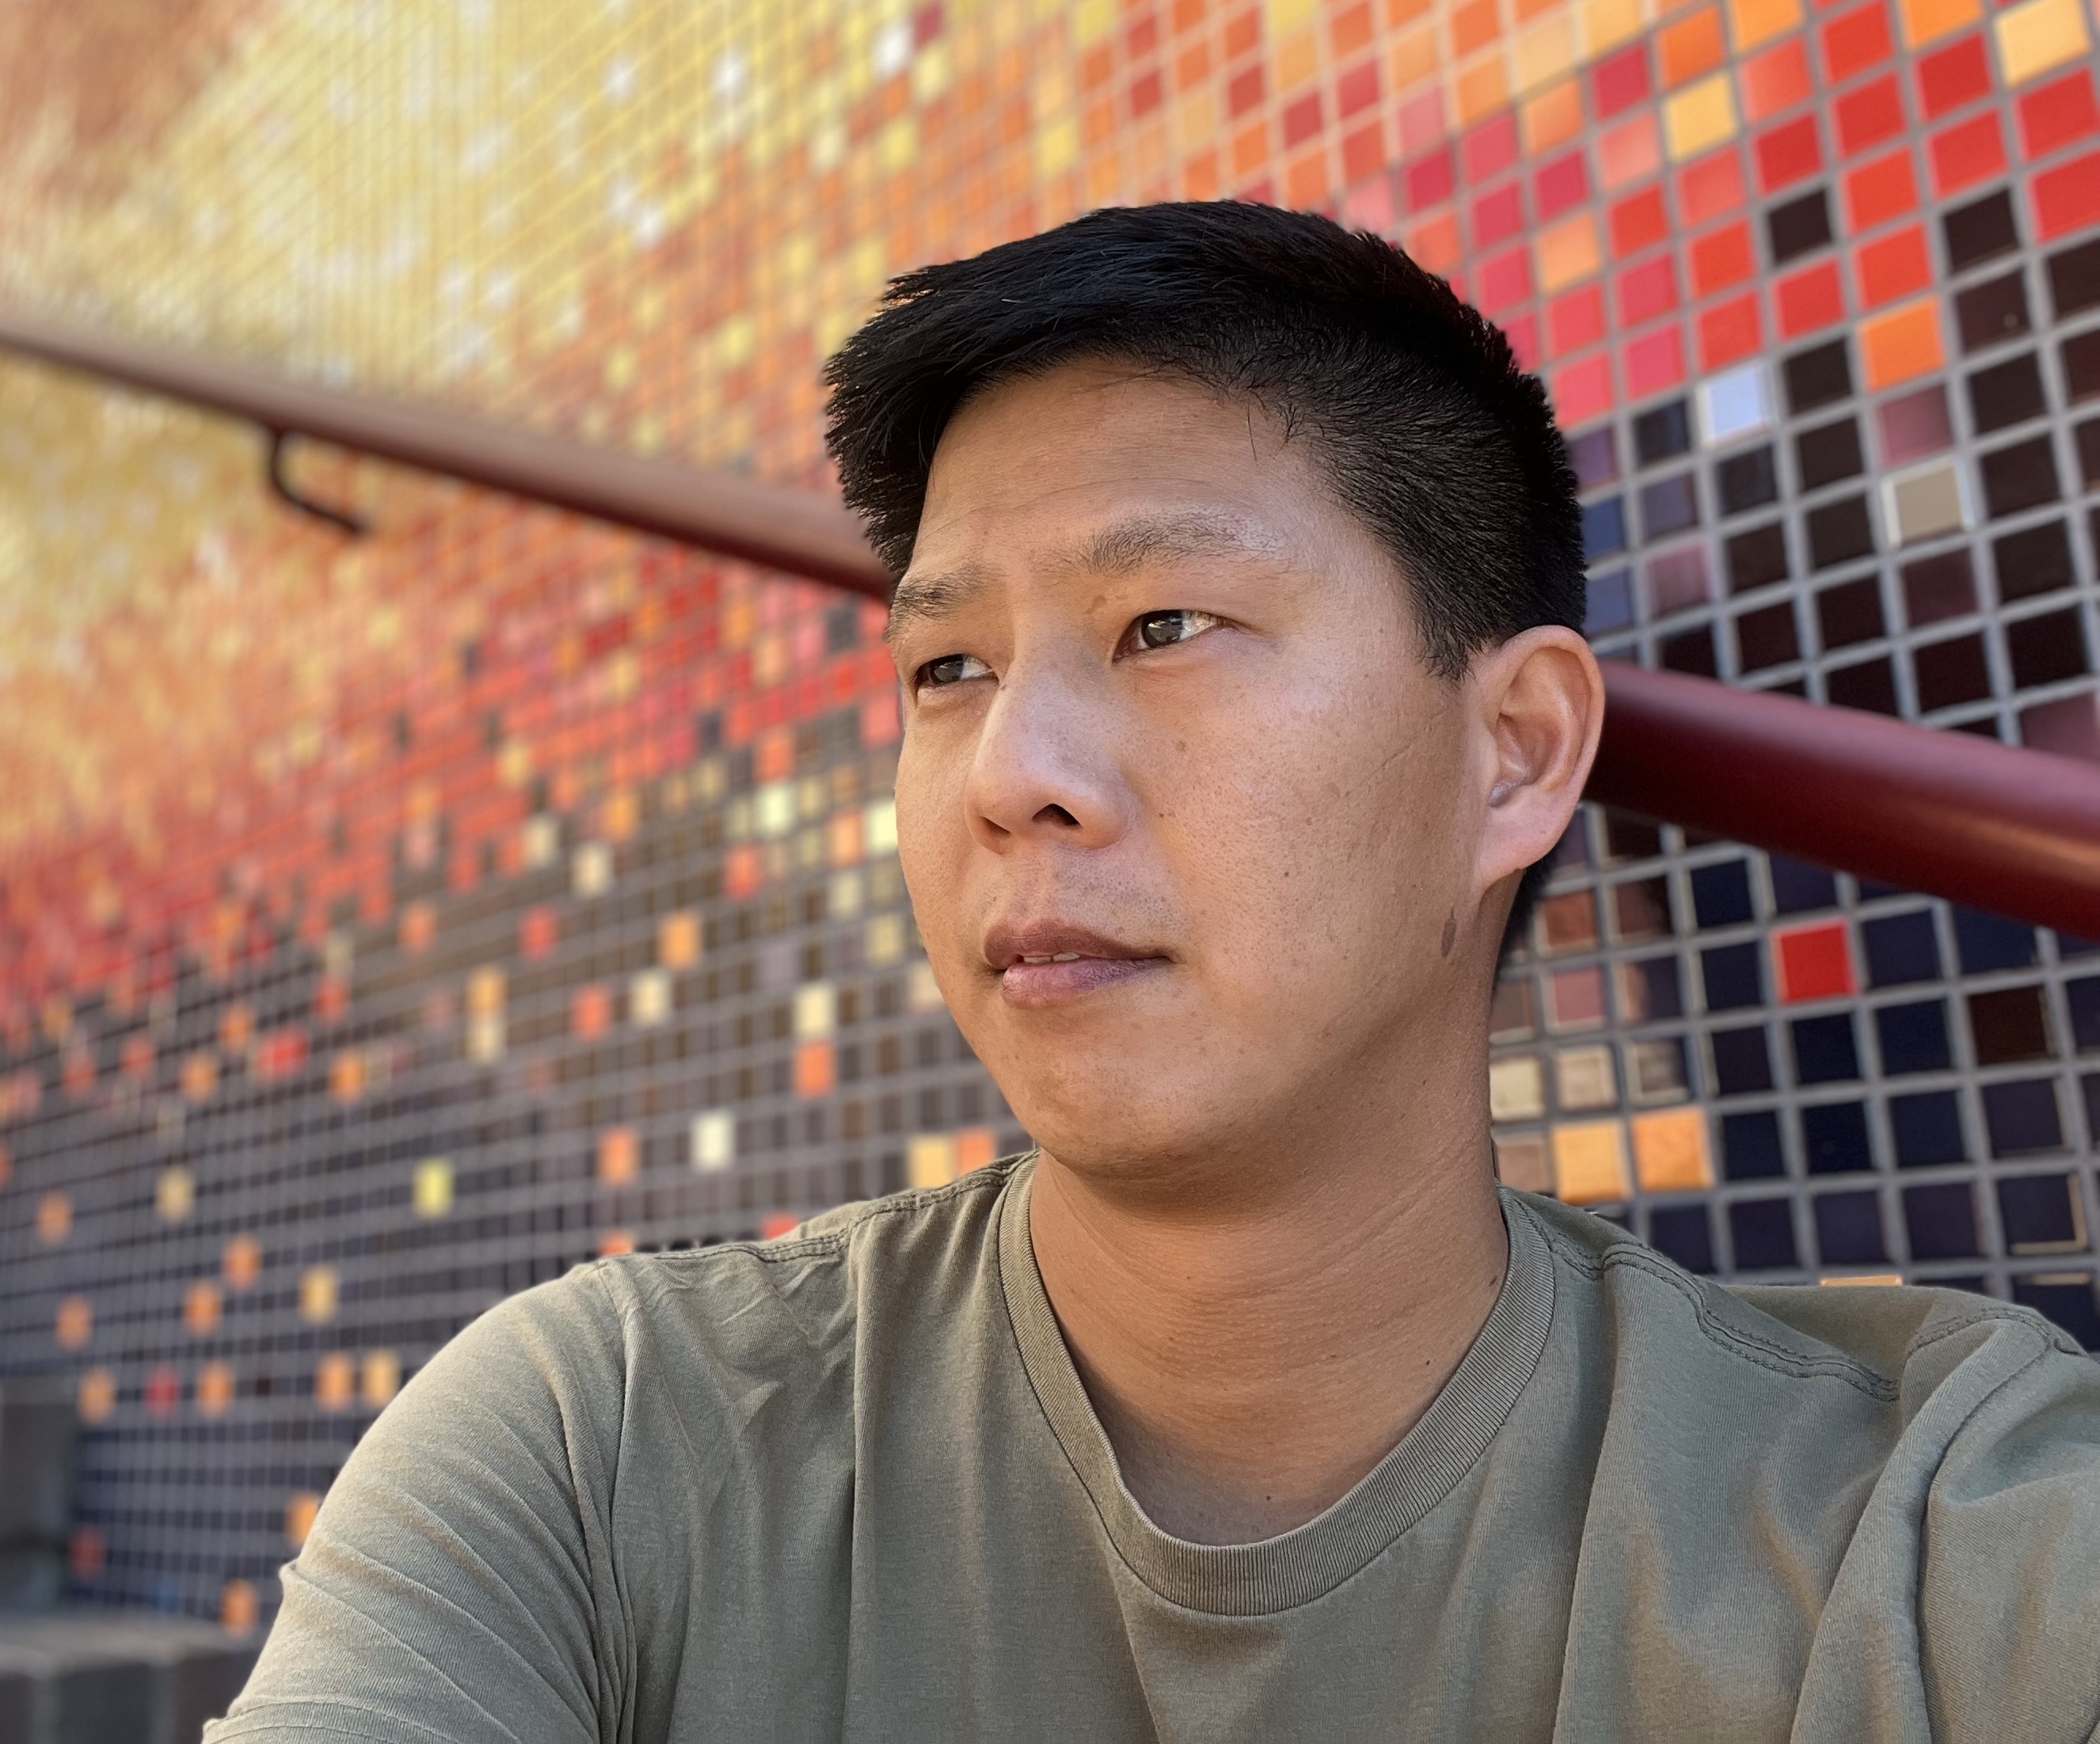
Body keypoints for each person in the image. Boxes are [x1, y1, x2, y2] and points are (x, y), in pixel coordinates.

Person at [211, 203, 2100, 1743]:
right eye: (943, 668)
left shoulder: (1919, 1551)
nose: (1012, 772)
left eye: (1162, 624)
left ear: (1512, 750)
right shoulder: (605, 1455)